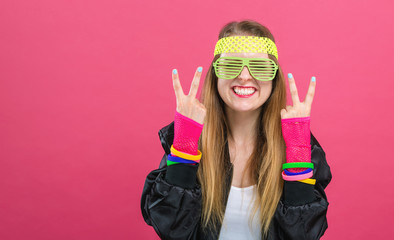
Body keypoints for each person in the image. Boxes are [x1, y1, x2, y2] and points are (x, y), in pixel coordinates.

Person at [141, 20, 332, 240]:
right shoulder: (191, 139)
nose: (244, 76)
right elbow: (170, 228)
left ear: (274, 78)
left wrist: (297, 152)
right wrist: (185, 145)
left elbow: (303, 235)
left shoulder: (295, 145)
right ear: (215, 74)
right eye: (231, 64)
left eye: (259, 67)